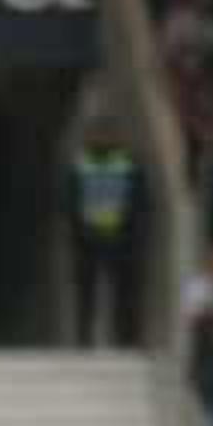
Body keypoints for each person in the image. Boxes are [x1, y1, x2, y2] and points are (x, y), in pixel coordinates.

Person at [71, 131, 140, 350]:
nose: (102, 141)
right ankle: (84, 338)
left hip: (117, 238)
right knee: (87, 292)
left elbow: (139, 201)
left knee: (121, 292)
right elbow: (69, 202)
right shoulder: (82, 165)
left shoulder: (125, 166)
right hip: (89, 239)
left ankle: (124, 338)